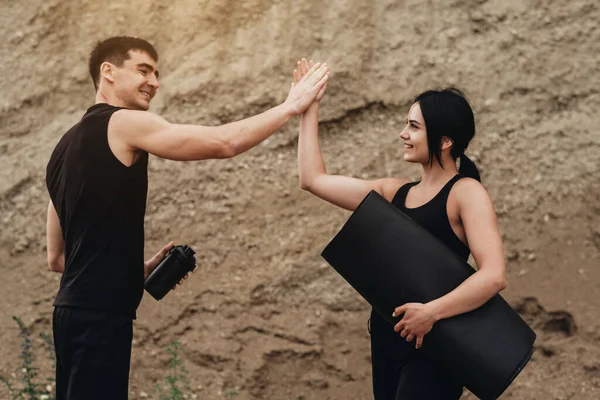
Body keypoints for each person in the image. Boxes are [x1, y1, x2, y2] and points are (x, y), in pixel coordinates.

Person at [45, 37, 328, 400]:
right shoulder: (123, 123)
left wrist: (137, 269)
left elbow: (58, 259)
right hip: (101, 318)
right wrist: (291, 107)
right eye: (143, 70)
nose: (155, 82)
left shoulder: (61, 150)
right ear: (108, 72)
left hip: (69, 314)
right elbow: (223, 143)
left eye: (158, 73)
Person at [294, 59, 506, 399]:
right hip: (388, 338)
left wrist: (431, 312)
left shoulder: (466, 193)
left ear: (445, 139)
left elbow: (494, 275)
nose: (403, 134)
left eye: (414, 126)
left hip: (436, 344)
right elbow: (312, 179)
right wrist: (308, 106)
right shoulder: (394, 192)